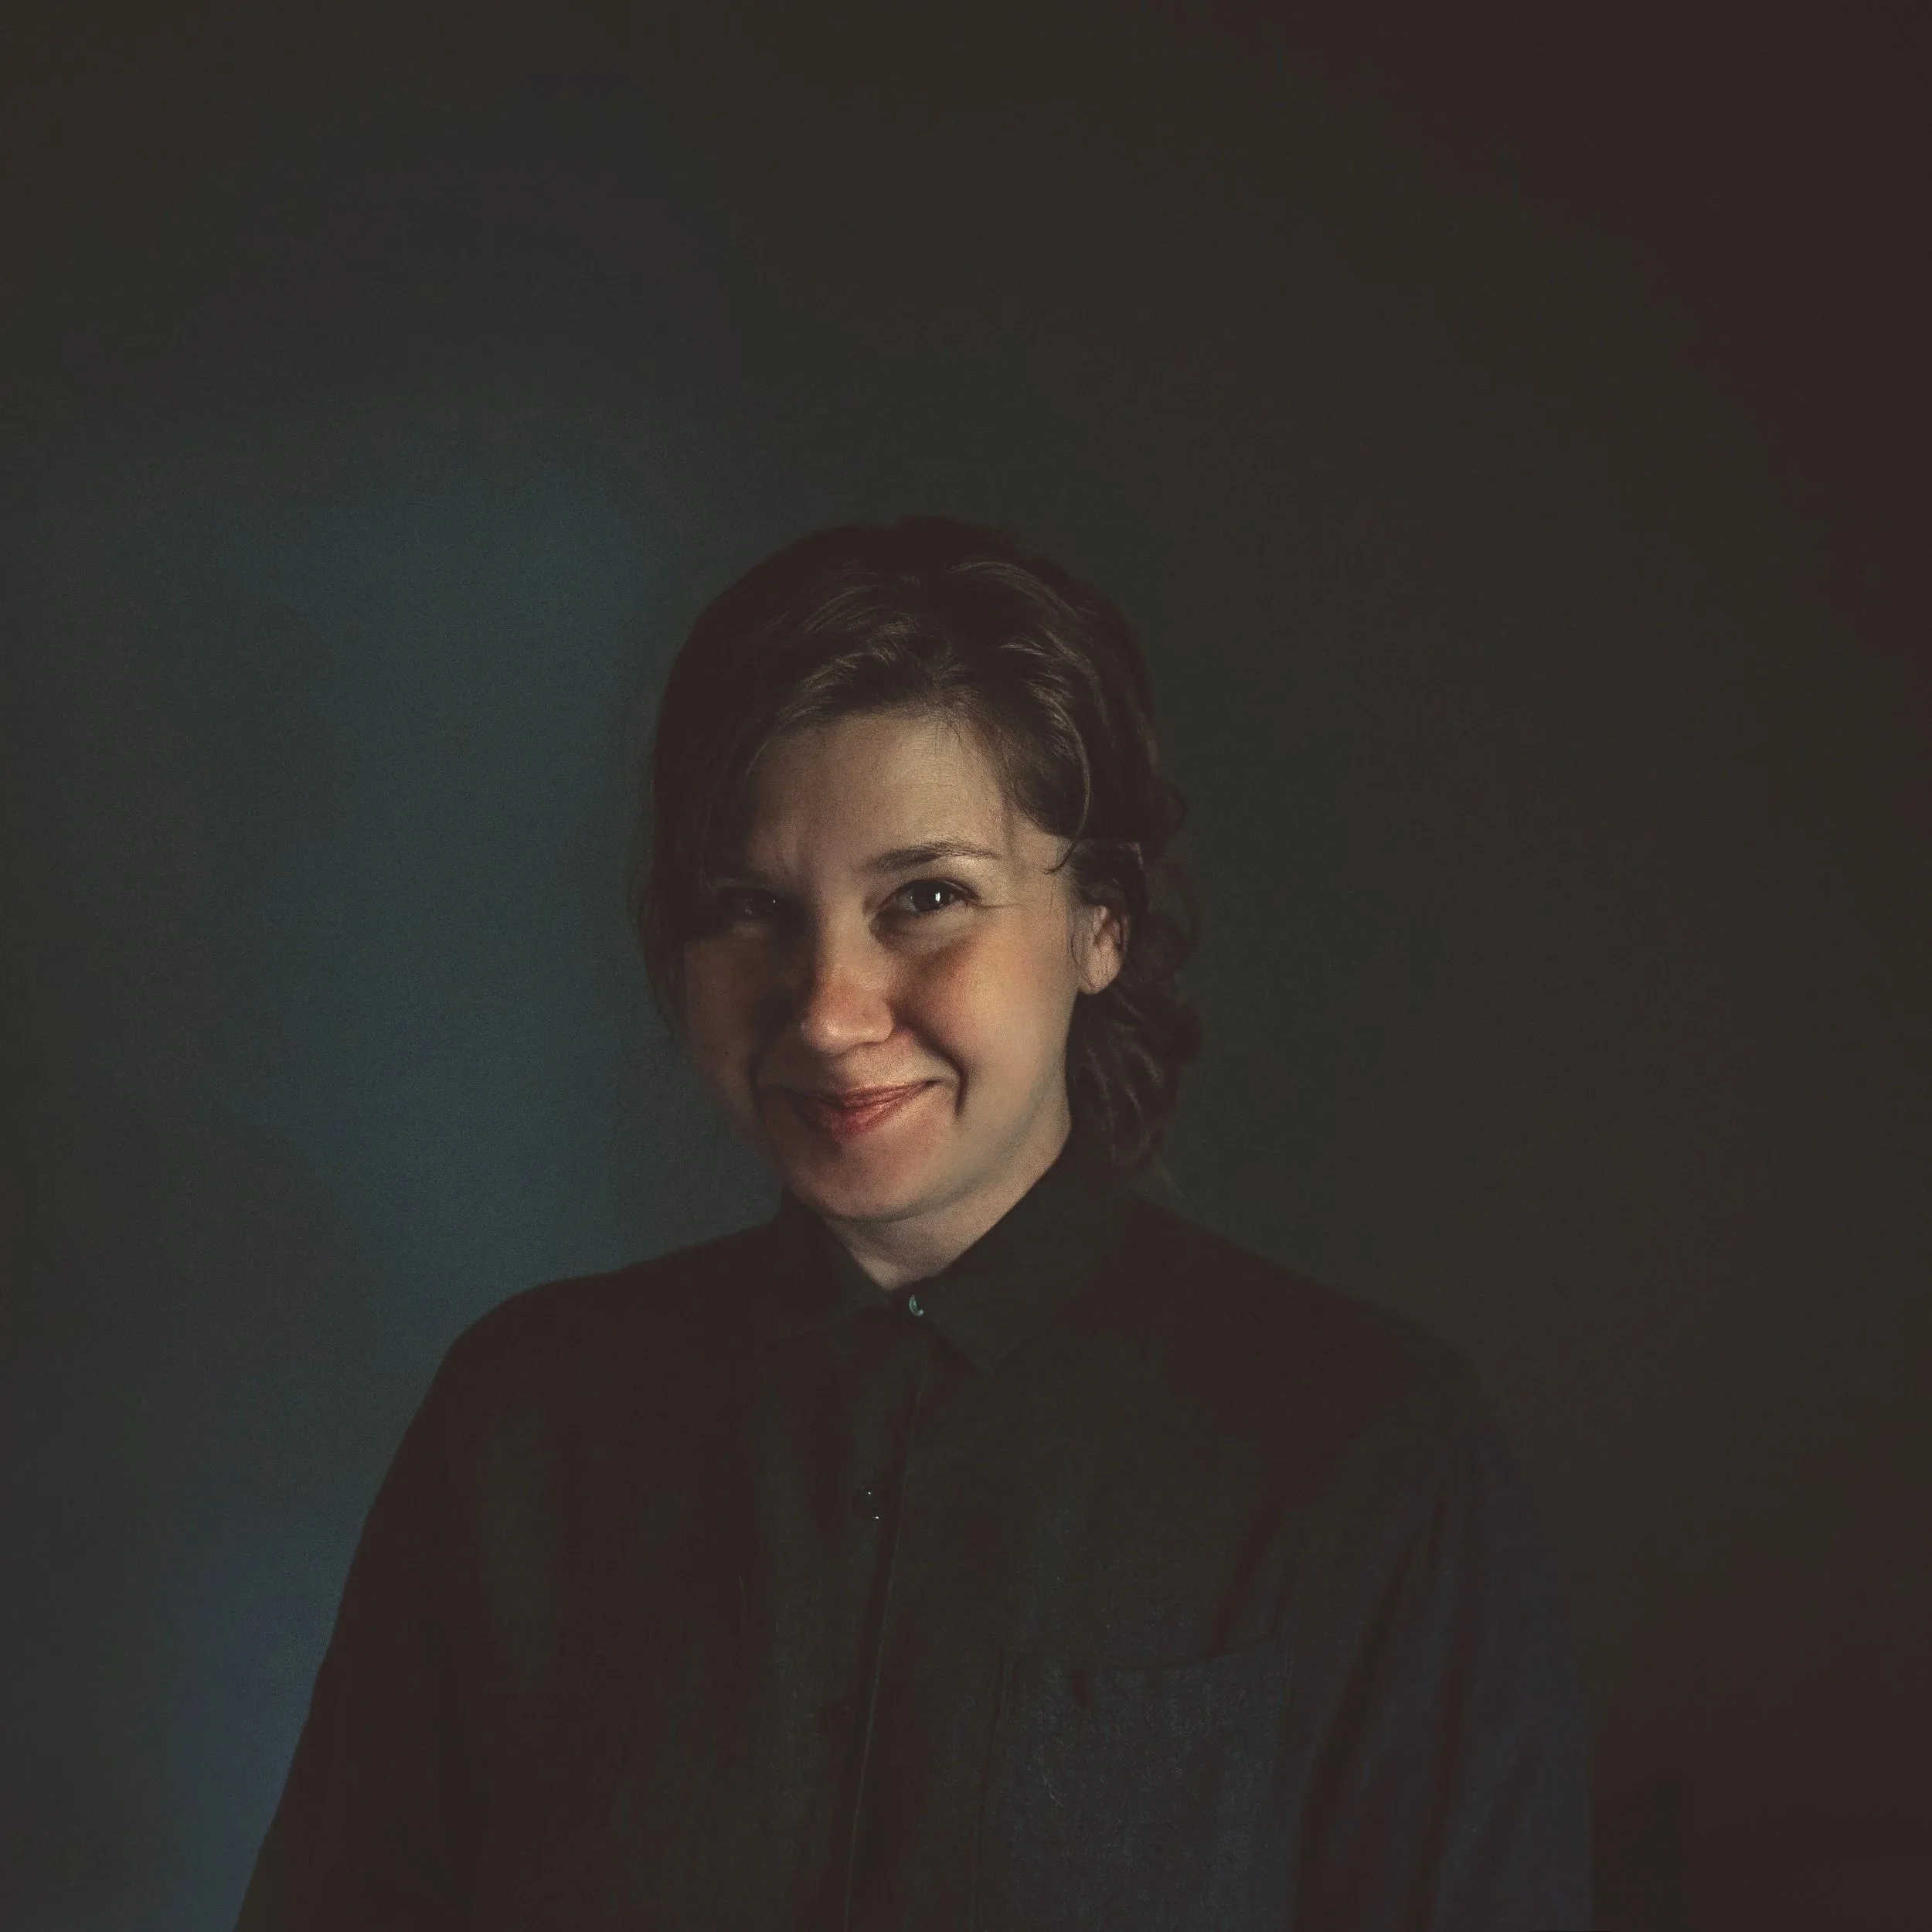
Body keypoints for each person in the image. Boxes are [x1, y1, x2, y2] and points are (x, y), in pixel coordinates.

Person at [234, 518, 1590, 1930]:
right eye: (751, 909)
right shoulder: (521, 1426)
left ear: (1102, 921)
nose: (826, 1010)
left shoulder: (1367, 1448)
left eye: (926, 898)